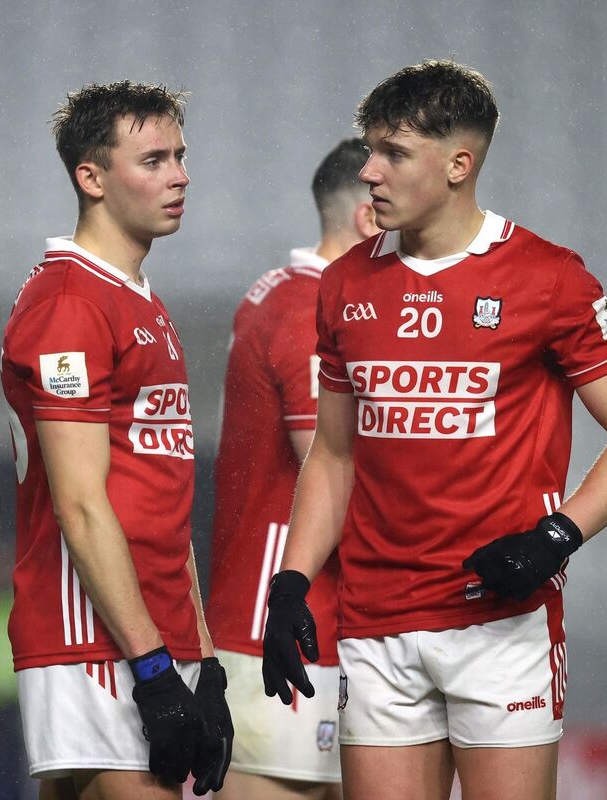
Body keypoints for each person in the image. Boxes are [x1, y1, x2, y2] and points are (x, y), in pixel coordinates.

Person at [261, 60, 607, 800]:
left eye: (393, 153)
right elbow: (333, 454)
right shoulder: (346, 283)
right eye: (370, 150)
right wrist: (291, 583)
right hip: (376, 621)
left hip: (501, 623)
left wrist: (556, 537)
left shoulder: (548, 278)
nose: (371, 171)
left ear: (459, 164)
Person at [0, 81, 233, 800]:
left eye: (181, 156)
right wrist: (154, 668)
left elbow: (161, 501)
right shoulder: (73, 302)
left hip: (151, 631)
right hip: (95, 633)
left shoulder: (139, 302)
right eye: (154, 159)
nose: (180, 175)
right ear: (92, 178)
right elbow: (80, 503)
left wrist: (205, 657)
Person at [208, 138, 378, 800]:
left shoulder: (286, 294)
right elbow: (328, 465)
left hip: (320, 618)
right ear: (370, 217)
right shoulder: (309, 306)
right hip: (275, 624)